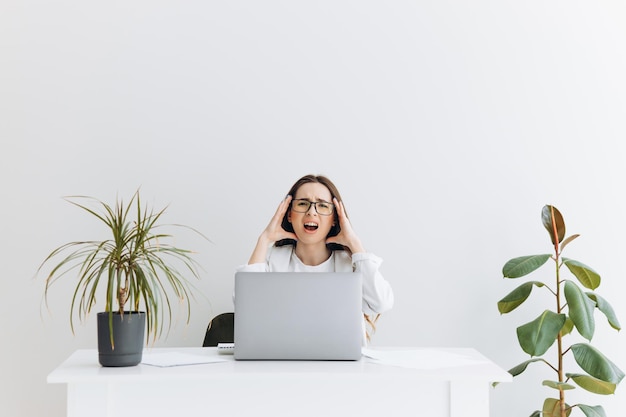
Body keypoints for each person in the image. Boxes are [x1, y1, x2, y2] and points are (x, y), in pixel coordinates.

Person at [236, 174, 394, 343]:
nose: (312, 212)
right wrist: (264, 239)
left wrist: (355, 243)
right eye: (303, 204)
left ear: (334, 219)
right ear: (289, 215)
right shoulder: (272, 260)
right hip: (281, 363)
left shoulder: (351, 265)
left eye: (322, 206)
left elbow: (381, 303)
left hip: (341, 367)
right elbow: (245, 307)